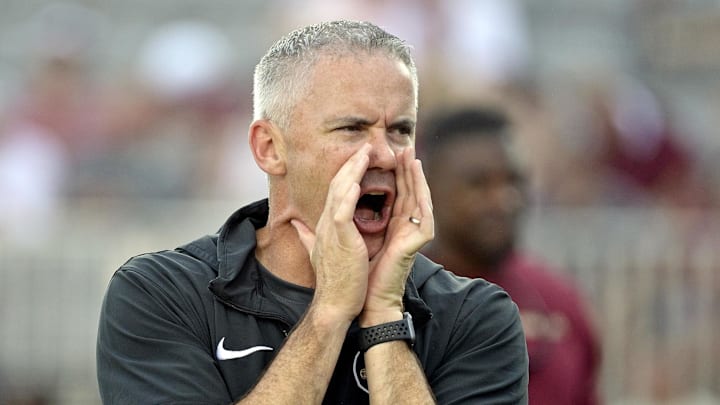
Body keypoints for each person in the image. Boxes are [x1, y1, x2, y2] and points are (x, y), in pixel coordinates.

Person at [96, 21, 528, 404]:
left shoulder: (476, 316)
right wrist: (329, 312)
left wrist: (382, 315)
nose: (382, 154)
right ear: (270, 148)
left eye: (400, 131)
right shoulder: (161, 294)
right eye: (351, 129)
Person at [420, 106, 601, 405]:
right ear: (428, 187)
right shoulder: (399, 298)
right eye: (478, 184)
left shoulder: (558, 299)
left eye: (514, 181)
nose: (504, 199)